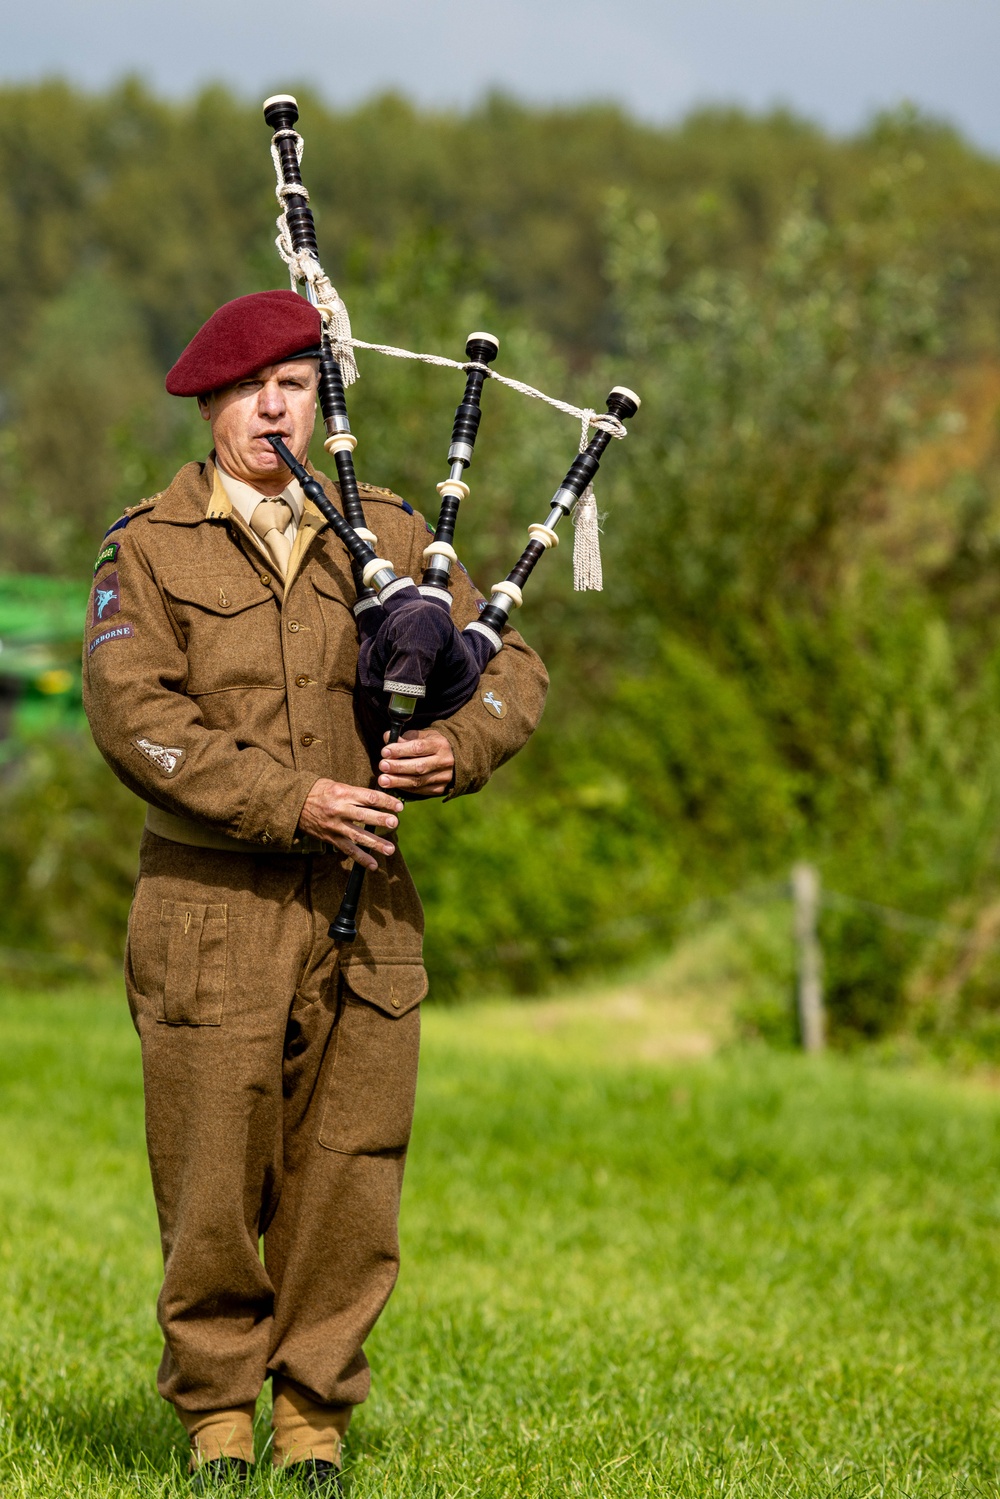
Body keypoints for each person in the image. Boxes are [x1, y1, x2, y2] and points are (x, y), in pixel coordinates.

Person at [83, 289, 548, 1493]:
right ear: (211, 407)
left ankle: (312, 1420)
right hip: (210, 908)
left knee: (351, 1168)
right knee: (212, 1172)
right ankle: (218, 1415)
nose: (274, 407)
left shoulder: (387, 531)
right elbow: (139, 720)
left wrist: (464, 746)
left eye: (297, 382)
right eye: (250, 390)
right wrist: (290, 798)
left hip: (368, 912)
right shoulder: (147, 546)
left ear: (322, 396)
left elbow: (510, 666)